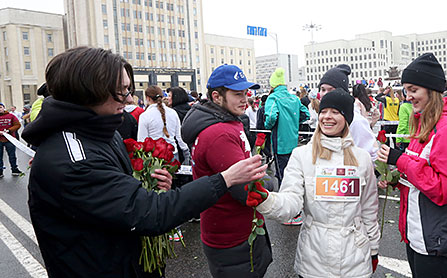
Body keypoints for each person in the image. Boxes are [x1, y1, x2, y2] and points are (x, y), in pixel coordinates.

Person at [21, 47, 267, 278]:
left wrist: (154, 186)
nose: (129, 99)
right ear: (88, 91)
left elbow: (120, 201)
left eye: (128, 90)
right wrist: (225, 178)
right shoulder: (72, 159)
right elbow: (148, 213)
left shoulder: (101, 133)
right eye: (121, 91)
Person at [254, 89, 380, 277]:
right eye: (323, 111)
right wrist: (266, 200)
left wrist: (373, 249)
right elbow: (291, 201)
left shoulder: (362, 159)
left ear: (347, 118)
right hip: (313, 260)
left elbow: (369, 209)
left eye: (336, 112)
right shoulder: (301, 155)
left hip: (355, 260)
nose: (327, 117)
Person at [377, 53, 447, 278]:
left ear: (431, 90)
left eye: (413, 90)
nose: (407, 97)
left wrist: (400, 160)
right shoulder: (424, 124)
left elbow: (446, 190)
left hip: (434, 239)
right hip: (417, 233)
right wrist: (396, 179)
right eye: (406, 90)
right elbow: (421, 174)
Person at [181, 64, 273, 278]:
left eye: (245, 93)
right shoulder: (219, 133)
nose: (245, 99)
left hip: (233, 229)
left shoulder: (226, 122)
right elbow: (247, 191)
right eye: (237, 94)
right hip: (231, 235)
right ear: (217, 96)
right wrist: (268, 181)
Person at [318, 64, 378, 160]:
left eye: (331, 89)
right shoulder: (323, 117)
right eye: (323, 89)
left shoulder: (355, 120)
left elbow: (372, 154)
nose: (325, 94)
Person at [264, 68, 310, 186]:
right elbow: (306, 114)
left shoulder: (273, 98)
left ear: (273, 85)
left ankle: (285, 202)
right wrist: (293, 122)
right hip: (294, 143)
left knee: (282, 177)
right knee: (294, 175)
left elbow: (271, 118)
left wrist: (268, 126)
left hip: (280, 144)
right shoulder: (294, 98)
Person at [138, 85, 190, 164]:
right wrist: (186, 153)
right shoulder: (173, 112)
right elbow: (179, 137)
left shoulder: (144, 116)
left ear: (147, 98)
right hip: (173, 154)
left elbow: (142, 140)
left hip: (154, 158)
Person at [0, 102, 23, 178]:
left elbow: (17, 125)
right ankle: (0, 171)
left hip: (9, 139)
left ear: (4, 108)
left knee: (12, 155)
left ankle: (14, 169)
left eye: (0, 107)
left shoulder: (11, 116)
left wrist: (9, 130)